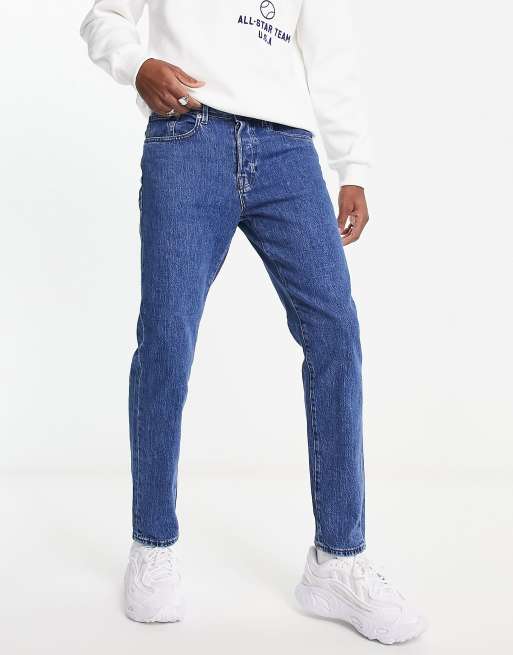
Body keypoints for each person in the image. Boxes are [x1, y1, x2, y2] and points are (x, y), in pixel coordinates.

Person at [80, 0, 426, 644]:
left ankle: (337, 561)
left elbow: (330, 52)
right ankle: (153, 544)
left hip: (288, 150)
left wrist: (353, 166)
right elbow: (105, 17)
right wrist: (136, 65)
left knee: (336, 335)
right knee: (167, 340)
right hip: (188, 136)